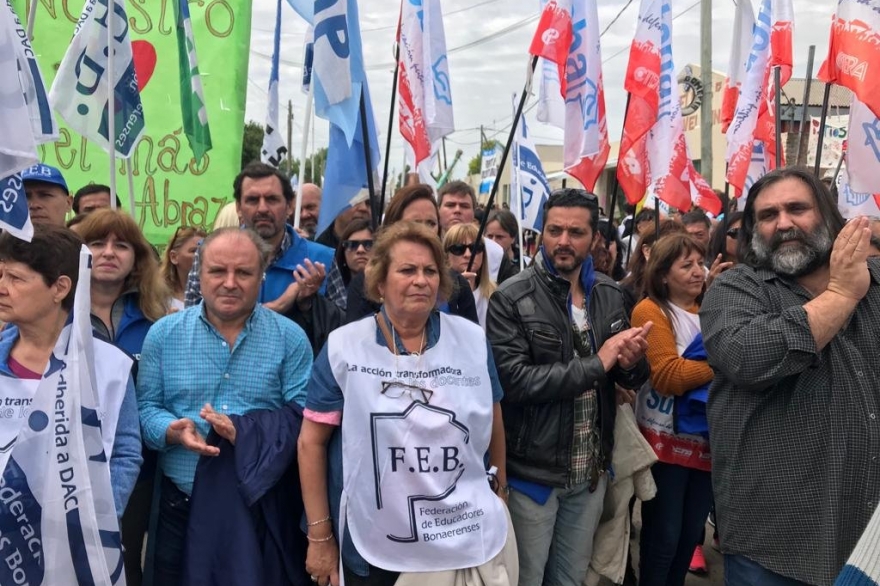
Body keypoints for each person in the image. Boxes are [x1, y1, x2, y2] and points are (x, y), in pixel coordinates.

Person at [299, 221, 515, 586]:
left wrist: (502, 491)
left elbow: (492, 416)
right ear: (380, 283)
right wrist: (320, 536)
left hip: (458, 532)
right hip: (375, 544)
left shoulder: (472, 340)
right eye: (407, 270)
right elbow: (310, 443)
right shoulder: (344, 347)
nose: (421, 280)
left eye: (430, 270)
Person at [700, 167, 880, 585]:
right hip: (776, 546)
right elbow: (749, 356)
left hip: (867, 539)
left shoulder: (875, 286)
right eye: (767, 215)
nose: (783, 223)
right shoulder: (737, 290)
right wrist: (839, 295)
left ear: (830, 217)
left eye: (797, 208)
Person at [486, 188, 652, 586]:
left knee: (571, 580)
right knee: (525, 579)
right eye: (554, 230)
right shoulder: (512, 298)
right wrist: (601, 360)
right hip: (532, 477)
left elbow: (629, 377)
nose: (563, 241)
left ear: (594, 237)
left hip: (589, 474)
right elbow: (516, 382)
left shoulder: (611, 295)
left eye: (575, 232)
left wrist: (630, 364)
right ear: (540, 233)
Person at [137, 228, 314, 584]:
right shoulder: (164, 335)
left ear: (261, 277)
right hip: (180, 507)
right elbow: (146, 409)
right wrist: (170, 431)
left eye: (244, 273)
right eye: (218, 271)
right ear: (199, 275)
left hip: (259, 507)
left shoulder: (289, 337)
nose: (230, 283)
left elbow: (305, 419)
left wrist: (248, 432)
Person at [0, 224, 142, 518]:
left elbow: (124, 452)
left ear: (60, 288)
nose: (2, 287)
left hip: (72, 547)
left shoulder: (108, 366)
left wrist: (98, 529)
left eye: (15, 278)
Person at [76, 209, 168, 585]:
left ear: (137, 258)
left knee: (124, 568)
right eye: (97, 243)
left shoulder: (158, 321)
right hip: (70, 469)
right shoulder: (55, 315)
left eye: (122, 245)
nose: (109, 252)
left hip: (138, 471)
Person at [630, 233, 714, 586]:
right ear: (663, 274)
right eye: (686, 265)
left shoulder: (713, 309)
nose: (699, 272)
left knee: (690, 535)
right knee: (663, 536)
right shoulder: (650, 310)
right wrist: (729, 362)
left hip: (707, 442)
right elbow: (668, 375)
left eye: (700, 263)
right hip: (664, 442)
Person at [185, 163, 334, 326]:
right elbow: (193, 324)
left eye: (272, 199)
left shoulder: (322, 259)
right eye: (252, 200)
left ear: (290, 206)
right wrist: (280, 305)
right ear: (238, 208)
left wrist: (308, 305)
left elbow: (340, 331)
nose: (262, 208)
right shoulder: (207, 253)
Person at [345, 184, 479, 324]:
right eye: (414, 223)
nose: (423, 230)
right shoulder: (363, 284)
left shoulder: (457, 284)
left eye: (431, 223)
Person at [437, 181, 516, 284]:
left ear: (474, 212)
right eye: (450, 205)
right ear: (438, 210)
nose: (457, 210)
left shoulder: (496, 253)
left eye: (464, 206)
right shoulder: (427, 249)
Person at [443, 222, 496, 329]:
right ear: (446, 255)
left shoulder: (495, 294)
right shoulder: (439, 293)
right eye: (458, 248)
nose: (468, 254)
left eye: (475, 248)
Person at [326, 219, 373, 311]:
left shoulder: (387, 289)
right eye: (352, 245)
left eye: (368, 244)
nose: (360, 250)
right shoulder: (334, 292)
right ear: (343, 252)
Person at [161, 225, 208, 311]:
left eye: (204, 250)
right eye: (194, 251)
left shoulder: (212, 294)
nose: (201, 255)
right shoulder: (158, 297)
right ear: (174, 257)